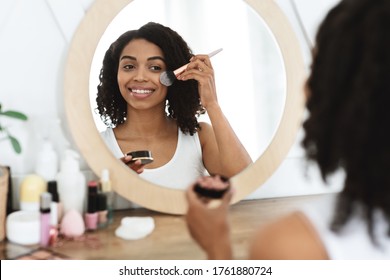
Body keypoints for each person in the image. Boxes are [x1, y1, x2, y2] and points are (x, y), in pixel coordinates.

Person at [186, 0, 390, 259]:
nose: (305, 87)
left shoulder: (293, 245)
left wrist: (218, 246)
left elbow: (240, 174)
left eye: (317, 70)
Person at [96, 22, 252, 196]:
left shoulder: (199, 138)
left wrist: (212, 105)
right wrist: (111, 184)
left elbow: (247, 183)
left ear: (175, 76)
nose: (140, 77)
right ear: (114, 75)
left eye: (155, 67)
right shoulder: (99, 146)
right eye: (129, 67)